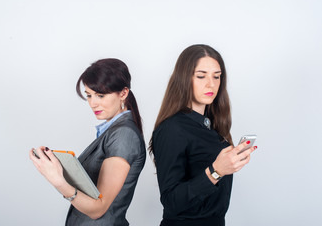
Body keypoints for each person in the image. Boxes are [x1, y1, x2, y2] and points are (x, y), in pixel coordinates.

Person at [149, 44, 257, 226]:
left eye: (217, 76)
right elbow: (171, 201)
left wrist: (231, 161)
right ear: (184, 78)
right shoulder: (172, 128)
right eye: (201, 76)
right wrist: (216, 171)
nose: (211, 84)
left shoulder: (213, 125)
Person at [29, 58, 146, 226]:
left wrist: (58, 180)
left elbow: (98, 209)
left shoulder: (123, 135)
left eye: (100, 95)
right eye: (89, 95)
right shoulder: (113, 132)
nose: (93, 103)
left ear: (123, 93)